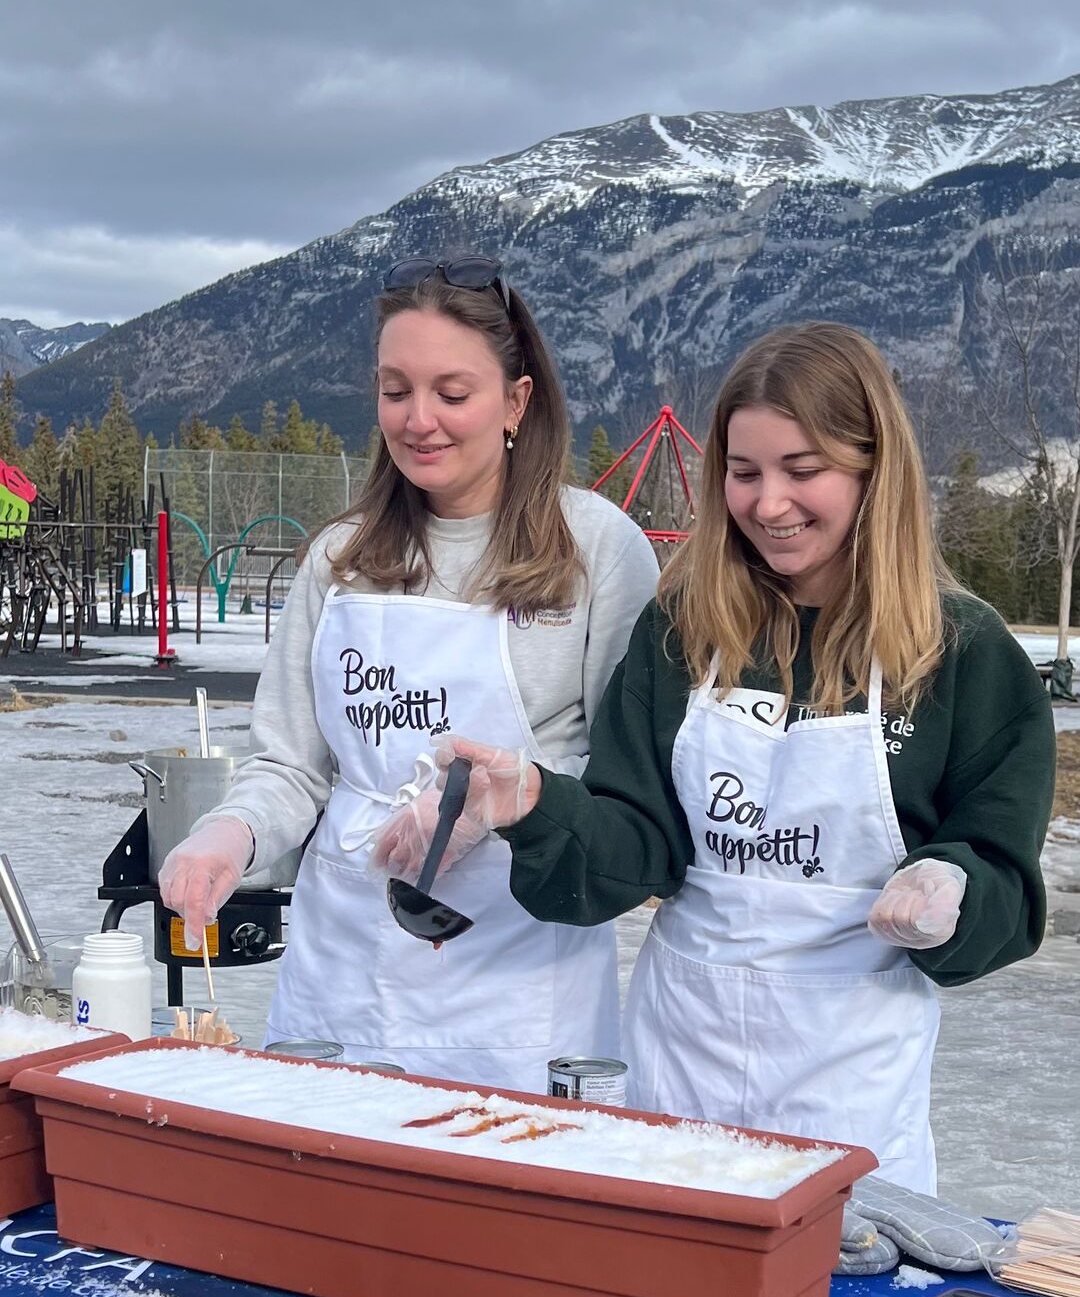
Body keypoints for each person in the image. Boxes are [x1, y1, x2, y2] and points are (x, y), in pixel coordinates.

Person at [416, 322, 1056, 1192]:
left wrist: (952, 888)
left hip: (852, 1079)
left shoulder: (962, 654)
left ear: (874, 472)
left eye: (804, 470)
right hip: (685, 1057)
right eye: (745, 472)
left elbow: (1005, 884)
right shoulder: (684, 631)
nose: (768, 504)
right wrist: (536, 805)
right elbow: (637, 844)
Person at [158, 257, 658, 1091]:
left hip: (515, 972)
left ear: (517, 401)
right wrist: (231, 834)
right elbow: (291, 767)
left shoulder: (597, 550)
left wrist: (499, 804)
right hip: (347, 958)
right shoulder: (339, 557)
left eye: (452, 394)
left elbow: (623, 782)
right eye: (396, 390)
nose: (419, 419)